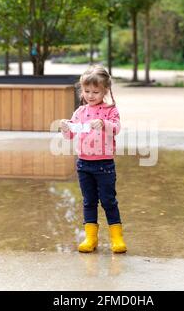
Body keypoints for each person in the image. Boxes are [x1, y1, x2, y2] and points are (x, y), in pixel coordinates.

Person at [60, 65, 127, 254]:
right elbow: (71, 136)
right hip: (84, 164)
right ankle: (90, 237)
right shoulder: (80, 112)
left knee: (108, 200)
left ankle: (117, 237)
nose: (90, 95)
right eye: (87, 91)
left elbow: (116, 128)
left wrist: (104, 123)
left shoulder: (110, 110)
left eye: (95, 92)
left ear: (105, 90)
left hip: (104, 164)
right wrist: (66, 128)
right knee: (89, 201)